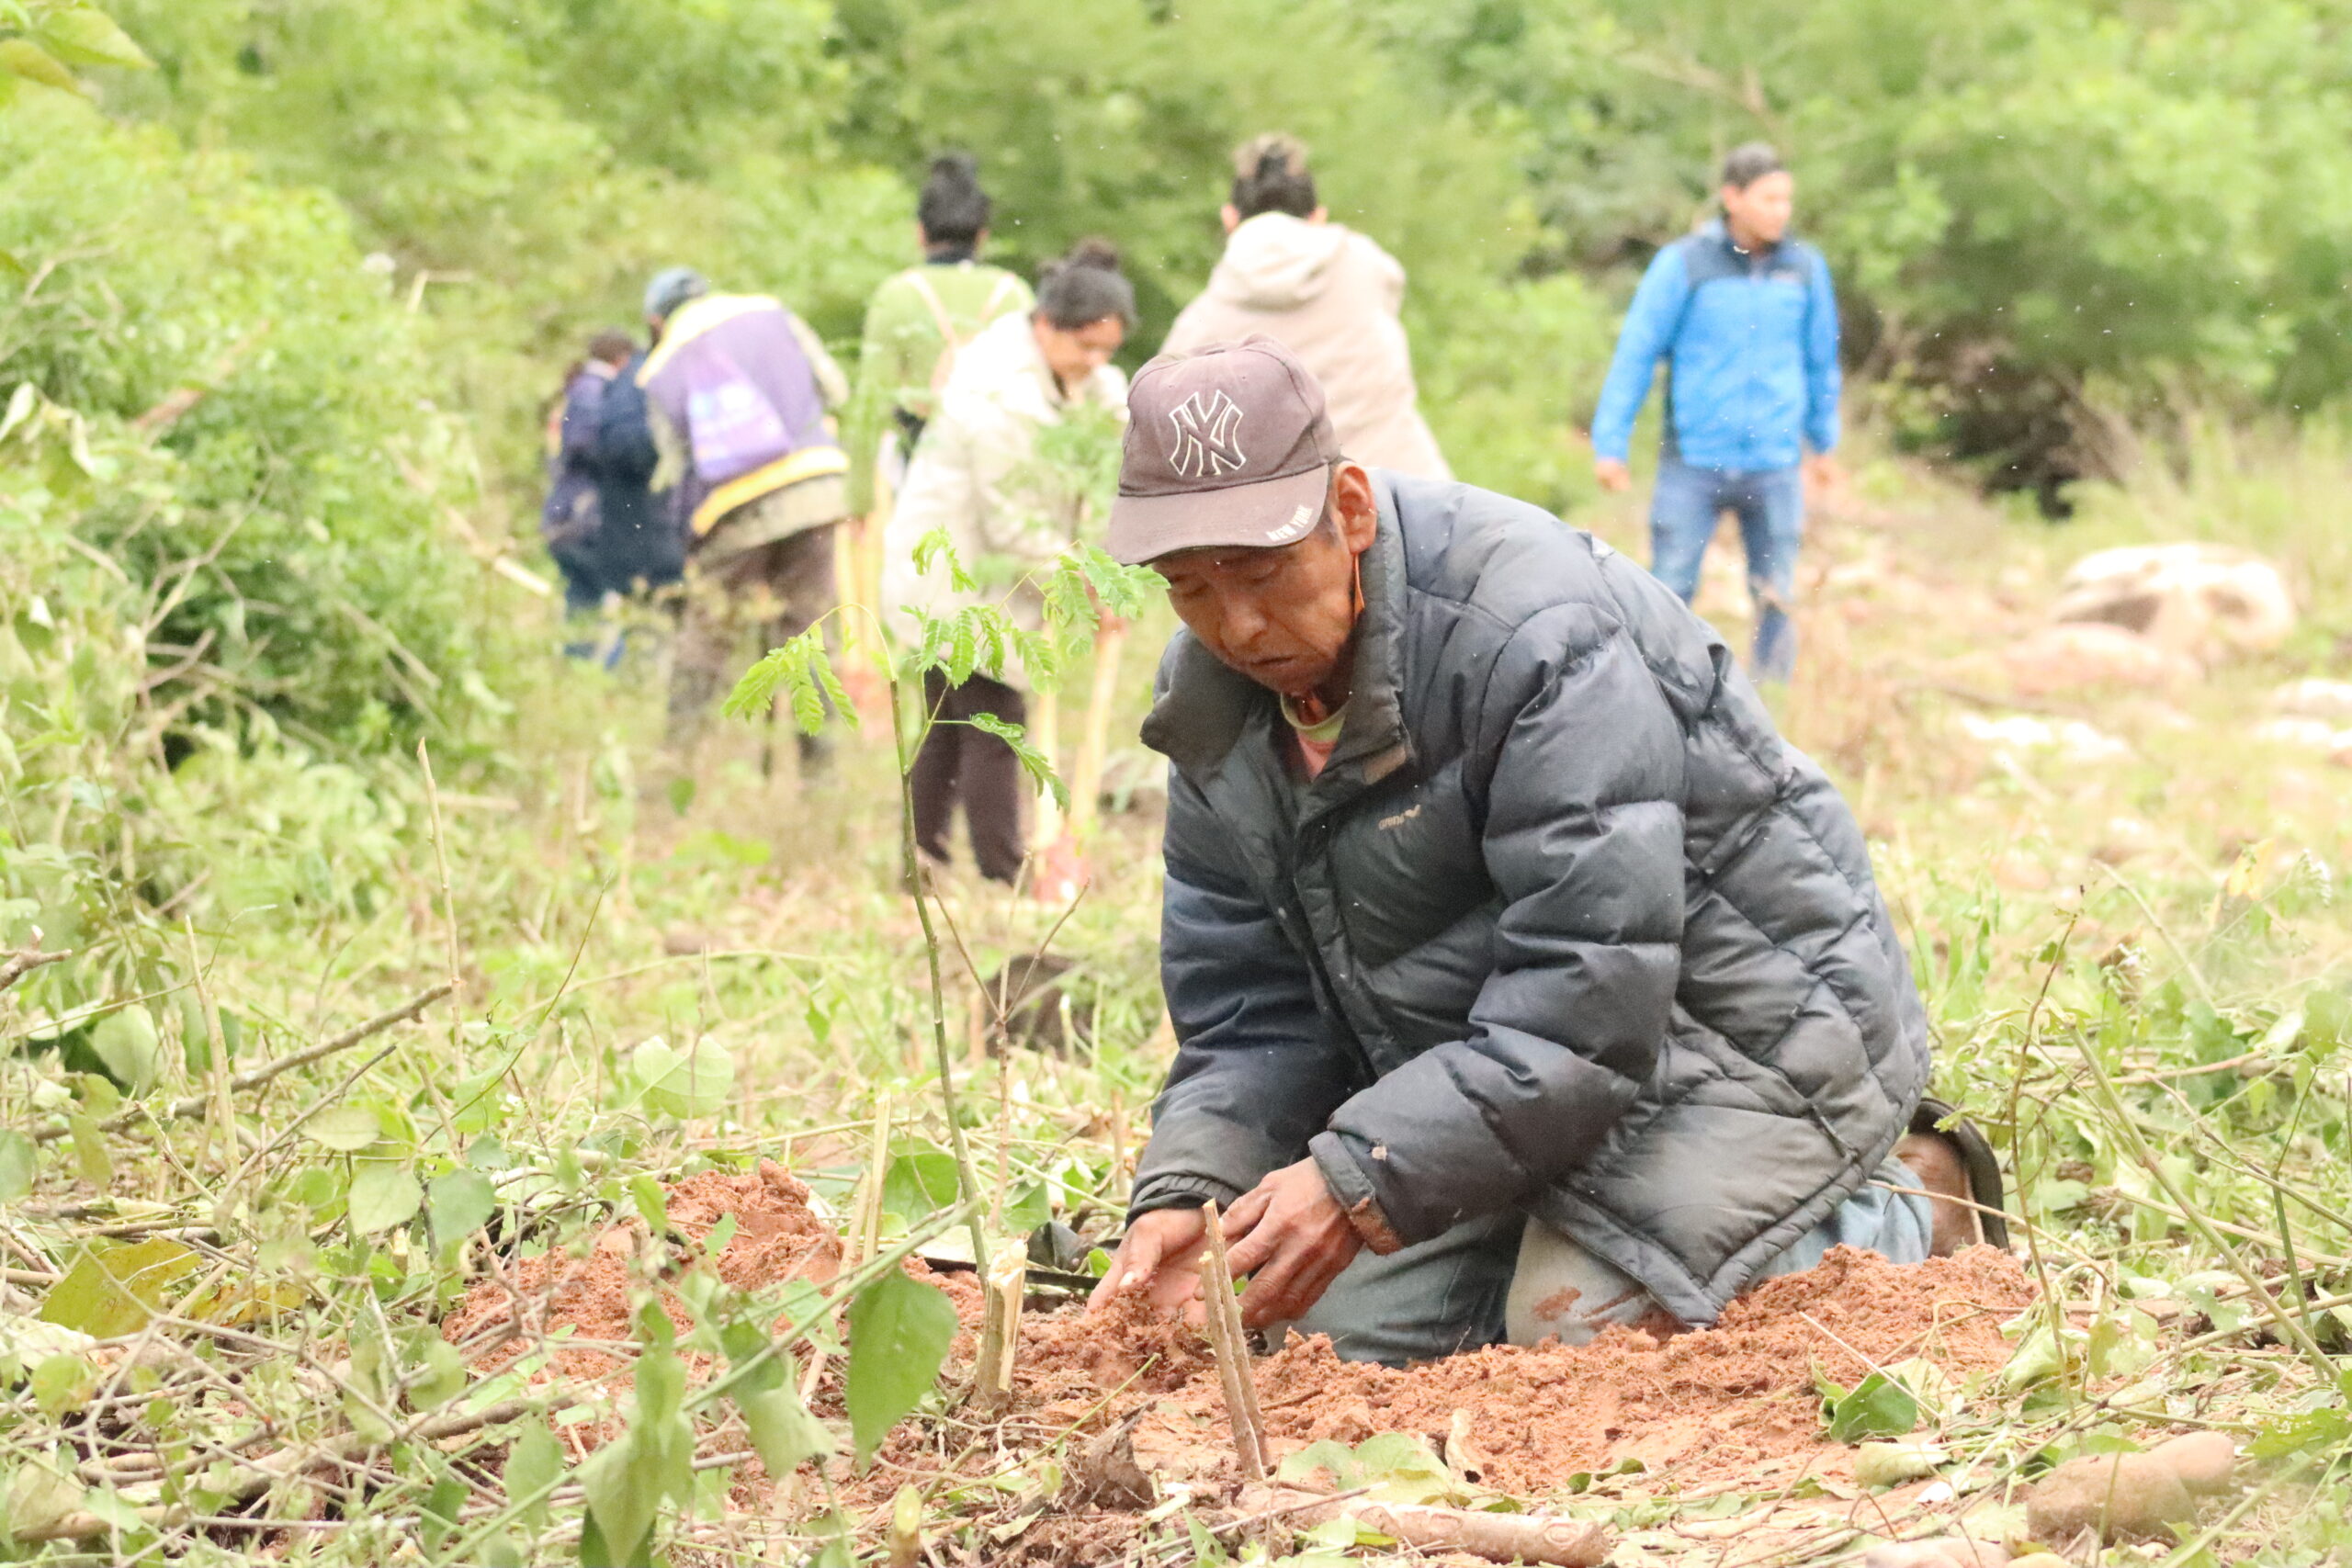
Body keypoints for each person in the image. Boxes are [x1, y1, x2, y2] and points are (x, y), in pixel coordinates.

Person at [1087, 337, 2004, 1366]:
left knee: (1575, 1323)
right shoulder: (1216, 705)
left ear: (1347, 510)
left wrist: (1362, 1179)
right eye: (1188, 587)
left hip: (1731, 1036)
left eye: (1261, 573)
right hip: (1502, 1068)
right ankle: (1529, 1238)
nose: (1239, 626)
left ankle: (1902, 1200)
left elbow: (1589, 999)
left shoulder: (1536, 633)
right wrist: (1193, 1189)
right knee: (1287, 1320)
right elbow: (1249, 1013)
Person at [885, 242, 1134, 884]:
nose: (1097, 362)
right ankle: (1006, 871)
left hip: (1006, 569)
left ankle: (922, 856)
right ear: (1046, 325)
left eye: (1108, 350)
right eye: (1086, 346)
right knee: (993, 715)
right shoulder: (996, 390)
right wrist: (1081, 586)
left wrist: (1105, 572)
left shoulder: (1094, 385)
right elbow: (1012, 522)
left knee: (948, 715)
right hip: (954, 567)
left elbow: (1108, 471)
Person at [1590, 142, 1841, 682]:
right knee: (1668, 591)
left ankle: (1772, 709)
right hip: (1694, 461)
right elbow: (1637, 352)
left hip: (1774, 462)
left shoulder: (1804, 269)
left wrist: (1823, 442)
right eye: (1768, 198)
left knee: (1776, 595)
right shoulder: (1684, 264)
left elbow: (1821, 360)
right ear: (1732, 197)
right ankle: (1654, 697)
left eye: (1786, 199)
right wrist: (1610, 444)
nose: (1781, 210)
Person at [638, 266, 852, 765]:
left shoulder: (660, 367)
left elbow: (673, 466)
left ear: (655, 320)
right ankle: (820, 774)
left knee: (707, 635)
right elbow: (835, 390)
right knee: (810, 633)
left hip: (732, 509)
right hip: (816, 487)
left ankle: (677, 758)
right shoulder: (769, 313)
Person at [1161, 134, 1449, 479]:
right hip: (1398, 488)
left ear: (1229, 219)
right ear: (1318, 217)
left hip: (1283, 511)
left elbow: (1163, 416)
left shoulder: (1200, 323)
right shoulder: (1366, 263)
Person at [845, 153, 1036, 518]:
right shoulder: (1014, 293)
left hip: (924, 464)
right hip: (1004, 470)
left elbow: (870, 405)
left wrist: (859, 500)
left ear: (920, 231)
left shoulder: (898, 294)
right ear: (983, 235)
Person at [540, 331, 639, 651]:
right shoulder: (595, 393)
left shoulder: (579, 391)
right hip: (584, 518)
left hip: (567, 515)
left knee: (583, 603)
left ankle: (577, 675)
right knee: (607, 600)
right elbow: (585, 446)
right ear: (621, 359)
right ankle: (597, 676)